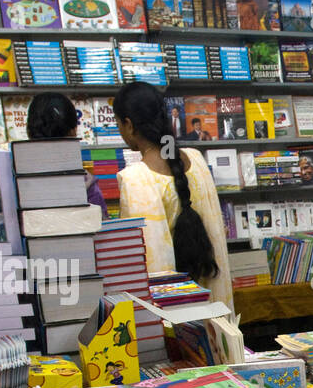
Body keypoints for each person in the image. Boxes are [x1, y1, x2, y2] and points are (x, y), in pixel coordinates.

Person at [113, 82, 232, 308]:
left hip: (174, 319)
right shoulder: (196, 159)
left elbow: (147, 267)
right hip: (214, 312)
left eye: (118, 123)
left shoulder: (135, 178)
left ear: (128, 125)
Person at [25, 93, 109, 218]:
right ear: (74, 131)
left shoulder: (9, 177)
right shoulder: (85, 182)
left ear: (28, 131)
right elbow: (101, 225)